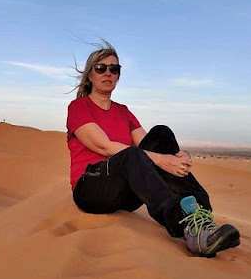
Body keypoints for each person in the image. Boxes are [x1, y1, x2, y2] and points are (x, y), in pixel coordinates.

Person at [66, 41, 240, 257]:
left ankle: (202, 219)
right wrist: (160, 159)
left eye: (114, 69)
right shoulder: (79, 107)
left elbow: (149, 145)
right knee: (129, 154)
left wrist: (176, 157)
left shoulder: (123, 111)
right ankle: (185, 227)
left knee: (161, 133)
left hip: (125, 193)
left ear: (119, 75)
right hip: (91, 189)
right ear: (90, 74)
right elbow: (104, 146)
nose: (108, 73)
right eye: (101, 68)